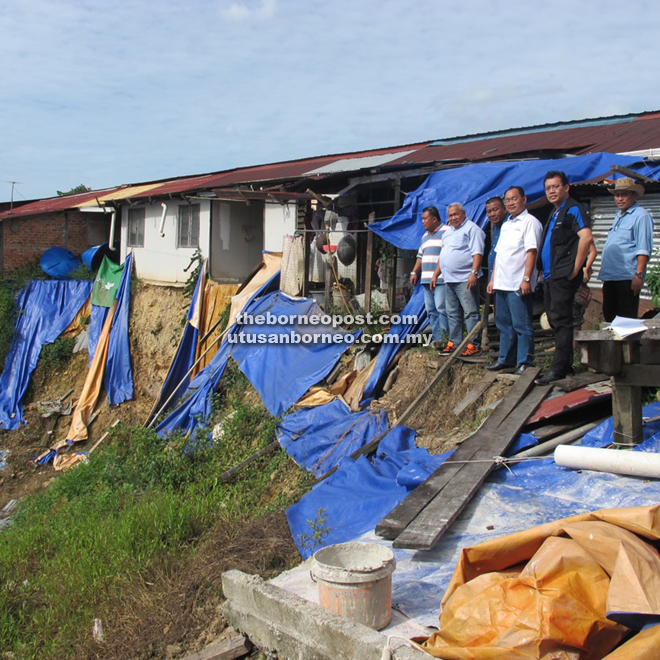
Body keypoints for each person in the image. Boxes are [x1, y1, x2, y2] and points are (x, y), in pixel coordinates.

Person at [535, 171, 593, 385]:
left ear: (566, 188)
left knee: (561, 321)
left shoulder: (573, 208)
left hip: (563, 275)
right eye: (548, 187)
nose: (551, 191)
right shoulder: (555, 211)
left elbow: (586, 238)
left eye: (556, 186)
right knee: (554, 319)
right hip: (550, 276)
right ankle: (565, 365)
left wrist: (576, 269)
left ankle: (559, 368)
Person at [486, 186, 542, 375]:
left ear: (523, 199)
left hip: (517, 283)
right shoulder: (506, 225)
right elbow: (499, 255)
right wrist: (493, 279)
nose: (510, 203)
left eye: (514, 199)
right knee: (503, 324)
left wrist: (527, 279)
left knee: (522, 324)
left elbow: (531, 252)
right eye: (507, 200)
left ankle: (525, 361)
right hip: (501, 283)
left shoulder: (530, 222)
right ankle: (506, 359)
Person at [432, 202, 485, 357]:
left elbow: (477, 253)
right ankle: (454, 343)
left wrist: (474, 272)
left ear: (463, 213)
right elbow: (443, 255)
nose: (453, 218)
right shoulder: (448, 232)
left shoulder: (472, 229)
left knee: (470, 312)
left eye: (456, 214)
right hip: (449, 280)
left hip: (465, 278)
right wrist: (436, 274)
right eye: (450, 215)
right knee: (452, 313)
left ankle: (473, 344)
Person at [597, 178, 654, 321]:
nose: (620, 198)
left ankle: (629, 345)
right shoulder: (619, 216)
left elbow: (643, 247)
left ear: (634, 195)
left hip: (627, 278)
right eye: (617, 195)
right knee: (610, 320)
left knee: (626, 323)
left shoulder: (641, 215)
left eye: (624, 194)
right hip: (611, 277)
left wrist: (639, 275)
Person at [410, 206, 448, 348]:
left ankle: (445, 338)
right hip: (425, 279)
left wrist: (436, 274)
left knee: (441, 308)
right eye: (422, 219)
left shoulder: (446, 232)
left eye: (425, 218)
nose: (423, 222)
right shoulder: (425, 237)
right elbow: (420, 256)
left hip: (441, 279)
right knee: (431, 310)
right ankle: (438, 339)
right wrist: (414, 272)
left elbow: (446, 255)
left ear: (434, 218)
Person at [485, 196, 507, 278]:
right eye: (489, 211)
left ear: (504, 209)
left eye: (495, 210)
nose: (492, 214)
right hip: (495, 280)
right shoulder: (496, 227)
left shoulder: (510, 225)